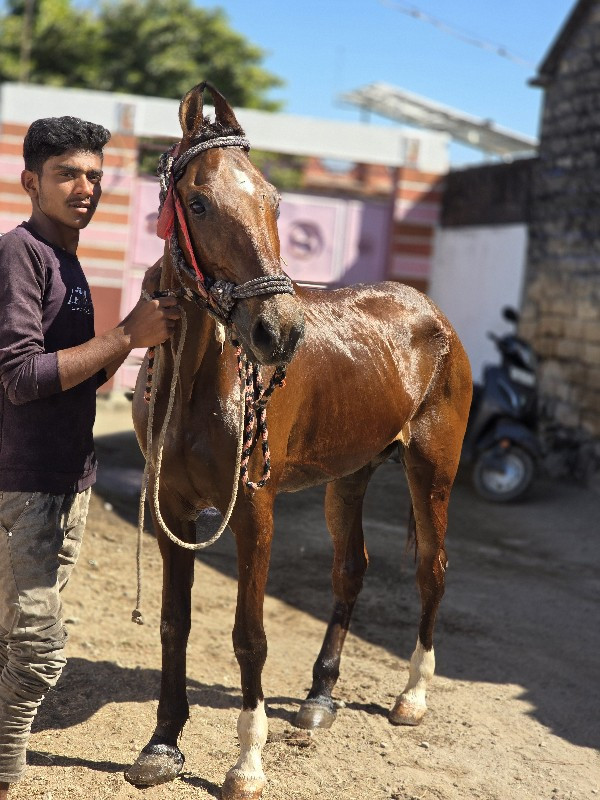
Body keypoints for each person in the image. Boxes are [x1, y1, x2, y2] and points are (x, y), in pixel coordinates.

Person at [0, 116, 180, 798]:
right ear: (31, 182)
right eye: (68, 174)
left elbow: (85, 373)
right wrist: (127, 334)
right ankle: (7, 770)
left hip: (65, 482)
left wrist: (133, 327)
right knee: (40, 653)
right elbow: (19, 377)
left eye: (95, 176)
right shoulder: (20, 255)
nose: (85, 187)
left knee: (11, 635)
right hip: (24, 485)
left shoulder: (68, 263)